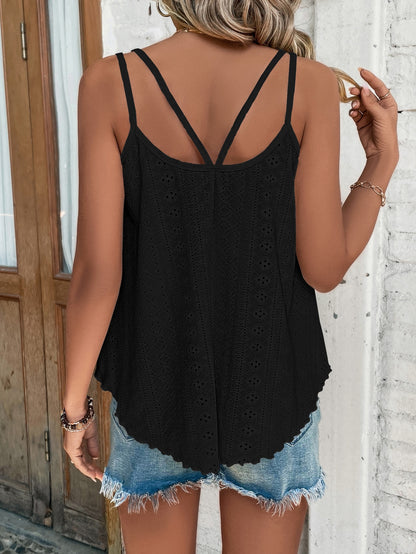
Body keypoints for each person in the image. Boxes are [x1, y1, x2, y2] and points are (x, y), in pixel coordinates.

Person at [61, 1, 399, 552]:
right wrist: (381, 161)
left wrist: (76, 413)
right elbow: (324, 269)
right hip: (274, 387)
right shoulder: (308, 83)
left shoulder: (109, 83)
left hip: (152, 386)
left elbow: (98, 276)